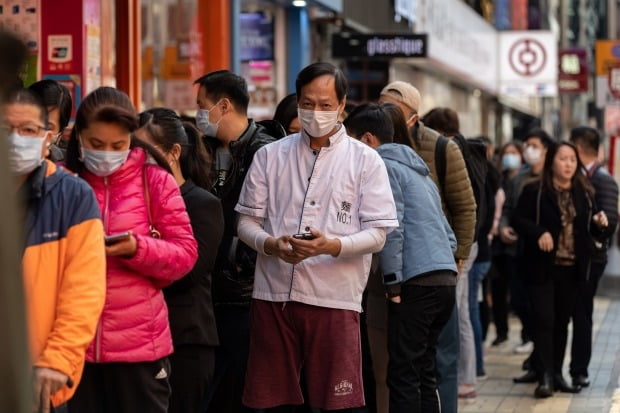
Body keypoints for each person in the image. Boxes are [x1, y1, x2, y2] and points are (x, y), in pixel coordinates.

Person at [235, 62, 397, 412]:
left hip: (334, 299)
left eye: (326, 105)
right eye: (308, 103)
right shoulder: (269, 155)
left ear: (342, 106)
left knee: (336, 404)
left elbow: (379, 234)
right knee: (273, 402)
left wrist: (332, 246)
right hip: (273, 296)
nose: (316, 112)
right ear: (297, 103)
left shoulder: (365, 161)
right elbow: (245, 223)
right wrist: (271, 244)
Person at [65, 87, 198, 413]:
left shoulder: (155, 182)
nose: (106, 154)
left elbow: (185, 255)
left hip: (140, 349)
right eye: (96, 145)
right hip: (75, 346)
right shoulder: (64, 183)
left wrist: (137, 249)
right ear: (79, 137)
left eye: (118, 146)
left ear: (131, 140)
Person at [345, 103, 457, 413]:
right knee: (423, 372)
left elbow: (391, 229)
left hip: (415, 284)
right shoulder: (420, 171)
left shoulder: (383, 168)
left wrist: (393, 284)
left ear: (367, 139)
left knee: (404, 374)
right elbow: (448, 234)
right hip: (443, 280)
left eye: (350, 138)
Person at [5, 88, 106, 413]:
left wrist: (58, 360)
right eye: (6, 129)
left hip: (36, 377)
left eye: (29, 130)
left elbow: (84, 291)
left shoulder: (73, 196)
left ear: (48, 138)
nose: (16, 139)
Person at [379, 82, 476, 413]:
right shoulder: (412, 166)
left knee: (418, 367)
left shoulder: (435, 150)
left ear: (412, 116)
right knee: (423, 367)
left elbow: (463, 208)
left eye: (392, 109)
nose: (385, 113)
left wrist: (457, 259)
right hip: (437, 271)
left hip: (423, 274)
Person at [193, 70, 276, 413]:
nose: (198, 113)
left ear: (223, 105)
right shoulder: (202, 150)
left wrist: (245, 264)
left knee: (246, 391)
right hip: (209, 292)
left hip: (247, 293)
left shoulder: (267, 154)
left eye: (201, 105)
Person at [137, 108, 225, 413]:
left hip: (185, 339)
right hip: (138, 337)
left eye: (145, 151)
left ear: (173, 152)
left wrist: (132, 258)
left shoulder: (202, 204)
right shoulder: (132, 201)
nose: (137, 159)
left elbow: (188, 271)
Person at [512, 141, 608, 398]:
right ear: (552, 160)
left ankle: (556, 373)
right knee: (544, 319)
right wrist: (539, 232)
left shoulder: (584, 191)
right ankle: (543, 375)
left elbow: (593, 225)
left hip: (572, 268)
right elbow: (518, 219)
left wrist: (600, 222)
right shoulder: (536, 190)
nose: (568, 164)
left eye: (572, 160)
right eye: (563, 159)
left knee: (562, 322)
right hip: (542, 267)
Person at [502, 129, 553, 384]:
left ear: (545, 149)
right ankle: (536, 361)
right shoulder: (519, 179)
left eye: (534, 145)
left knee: (542, 313)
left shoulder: (552, 179)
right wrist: (503, 227)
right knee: (521, 304)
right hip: (517, 252)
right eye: (527, 145)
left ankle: (542, 367)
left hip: (543, 257)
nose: (528, 150)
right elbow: (509, 210)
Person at [569, 127, 619, 388]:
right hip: (570, 256)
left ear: (578, 147)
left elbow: (610, 224)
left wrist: (598, 223)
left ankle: (579, 370)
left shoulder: (603, 179)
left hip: (590, 259)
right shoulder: (575, 176)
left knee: (581, 312)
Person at [490, 142, 523, 347]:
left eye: (514, 153)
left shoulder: (526, 179)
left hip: (518, 246)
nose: (509, 157)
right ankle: (501, 332)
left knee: (519, 293)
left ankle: (526, 336)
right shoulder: (497, 178)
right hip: (498, 246)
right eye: (506, 153)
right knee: (498, 289)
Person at [28, 79, 72, 162]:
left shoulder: (68, 166)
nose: (34, 131)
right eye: (28, 124)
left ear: (60, 133)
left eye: (46, 127)